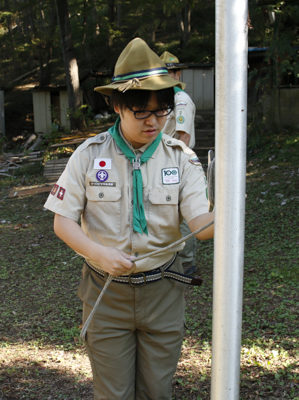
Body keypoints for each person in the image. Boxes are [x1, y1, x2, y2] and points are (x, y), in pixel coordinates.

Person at [44, 38, 214, 400]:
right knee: (114, 394)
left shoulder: (181, 159)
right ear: (118, 106)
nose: (154, 121)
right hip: (106, 294)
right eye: (142, 111)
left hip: (163, 293)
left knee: (157, 392)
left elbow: (201, 227)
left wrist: (228, 209)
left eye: (162, 109)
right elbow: (63, 222)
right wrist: (99, 253)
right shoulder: (89, 156)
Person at [161, 51, 198, 274]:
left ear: (177, 74)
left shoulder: (180, 99)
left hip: (176, 162)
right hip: (163, 162)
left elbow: (183, 136)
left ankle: (187, 262)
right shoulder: (164, 98)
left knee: (182, 213)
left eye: (168, 73)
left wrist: (174, 167)